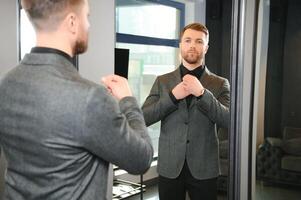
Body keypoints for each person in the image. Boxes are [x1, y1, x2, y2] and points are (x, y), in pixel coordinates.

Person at [0, 0, 153, 199]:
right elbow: (141, 159)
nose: (88, 25)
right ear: (72, 22)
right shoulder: (90, 98)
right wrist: (128, 100)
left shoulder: (7, 84)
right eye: (87, 17)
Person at [142, 22, 230, 200]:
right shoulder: (163, 81)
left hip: (205, 168)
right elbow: (143, 118)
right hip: (170, 166)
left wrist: (202, 94)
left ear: (206, 48)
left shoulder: (220, 83)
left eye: (199, 41)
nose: (192, 45)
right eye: (188, 40)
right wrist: (172, 97)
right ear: (180, 45)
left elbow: (228, 120)